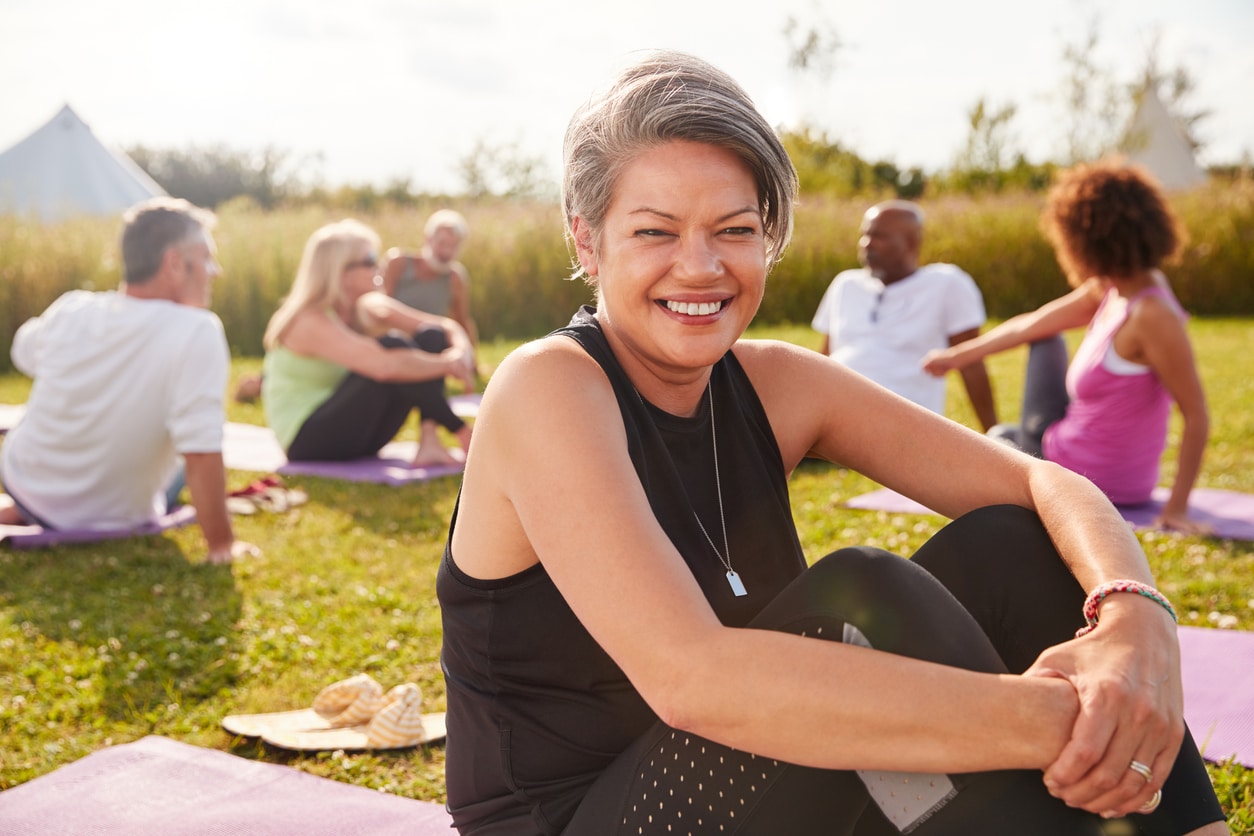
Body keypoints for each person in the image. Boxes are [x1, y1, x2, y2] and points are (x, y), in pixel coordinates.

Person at [436, 51, 1228, 835]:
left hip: (771, 788)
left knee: (1009, 541)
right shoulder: (548, 387)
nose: (700, 266)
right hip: (584, 820)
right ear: (587, 241)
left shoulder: (779, 384)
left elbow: (1043, 486)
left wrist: (1136, 620)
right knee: (864, 599)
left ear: (767, 236)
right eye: (654, 231)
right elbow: (693, 680)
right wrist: (1079, 719)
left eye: (734, 229)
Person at [923, 160, 1210, 534]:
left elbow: (1197, 416)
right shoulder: (1119, 289)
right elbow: (1031, 322)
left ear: (1086, 241)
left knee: (999, 437)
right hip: (1097, 465)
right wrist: (954, 358)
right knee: (1036, 355)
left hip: (1081, 473)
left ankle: (1006, 445)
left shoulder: (1151, 315)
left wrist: (1177, 509)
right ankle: (1007, 443)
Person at [0, 197, 255, 564]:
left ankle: (32, 509)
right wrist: (222, 546)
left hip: (26, 483)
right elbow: (200, 451)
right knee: (181, 465)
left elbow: (23, 351)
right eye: (206, 258)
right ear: (174, 263)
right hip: (113, 512)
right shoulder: (197, 330)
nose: (215, 271)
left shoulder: (72, 308)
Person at [261, 219, 474, 468]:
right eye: (370, 259)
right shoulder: (308, 320)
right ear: (341, 271)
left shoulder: (366, 307)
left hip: (361, 436)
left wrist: (460, 352)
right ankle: (465, 435)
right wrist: (448, 366)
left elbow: (444, 327)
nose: (380, 266)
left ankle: (429, 442)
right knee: (392, 347)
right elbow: (384, 367)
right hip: (308, 441)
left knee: (430, 336)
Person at [811, 201, 997, 431]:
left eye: (879, 236)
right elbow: (824, 358)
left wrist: (993, 432)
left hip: (900, 424)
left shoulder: (947, 284)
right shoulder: (845, 284)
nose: (867, 244)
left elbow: (971, 365)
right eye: (864, 235)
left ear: (911, 242)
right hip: (828, 416)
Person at [382, 208, 480, 357]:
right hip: (391, 340)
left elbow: (462, 320)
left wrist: (472, 360)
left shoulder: (455, 278)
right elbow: (380, 307)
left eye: (453, 246)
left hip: (429, 343)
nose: (446, 252)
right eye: (442, 243)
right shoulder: (398, 263)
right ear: (427, 239)